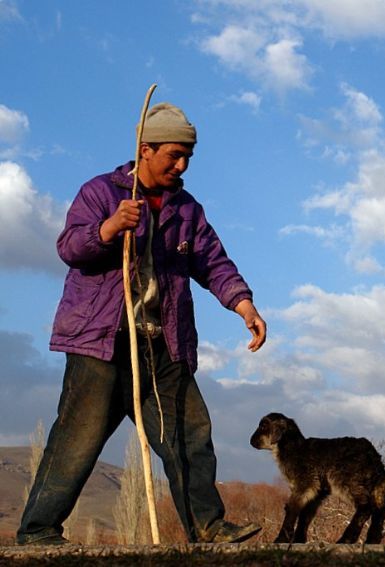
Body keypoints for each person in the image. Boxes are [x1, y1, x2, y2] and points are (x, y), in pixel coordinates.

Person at [17, 103, 267, 545]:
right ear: (145, 149)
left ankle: (207, 527)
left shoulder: (187, 209)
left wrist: (243, 305)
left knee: (190, 435)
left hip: (163, 343)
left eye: (188, 155)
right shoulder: (100, 192)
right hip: (101, 344)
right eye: (173, 154)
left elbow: (213, 263)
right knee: (77, 439)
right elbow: (70, 247)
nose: (182, 164)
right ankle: (37, 531)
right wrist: (110, 228)